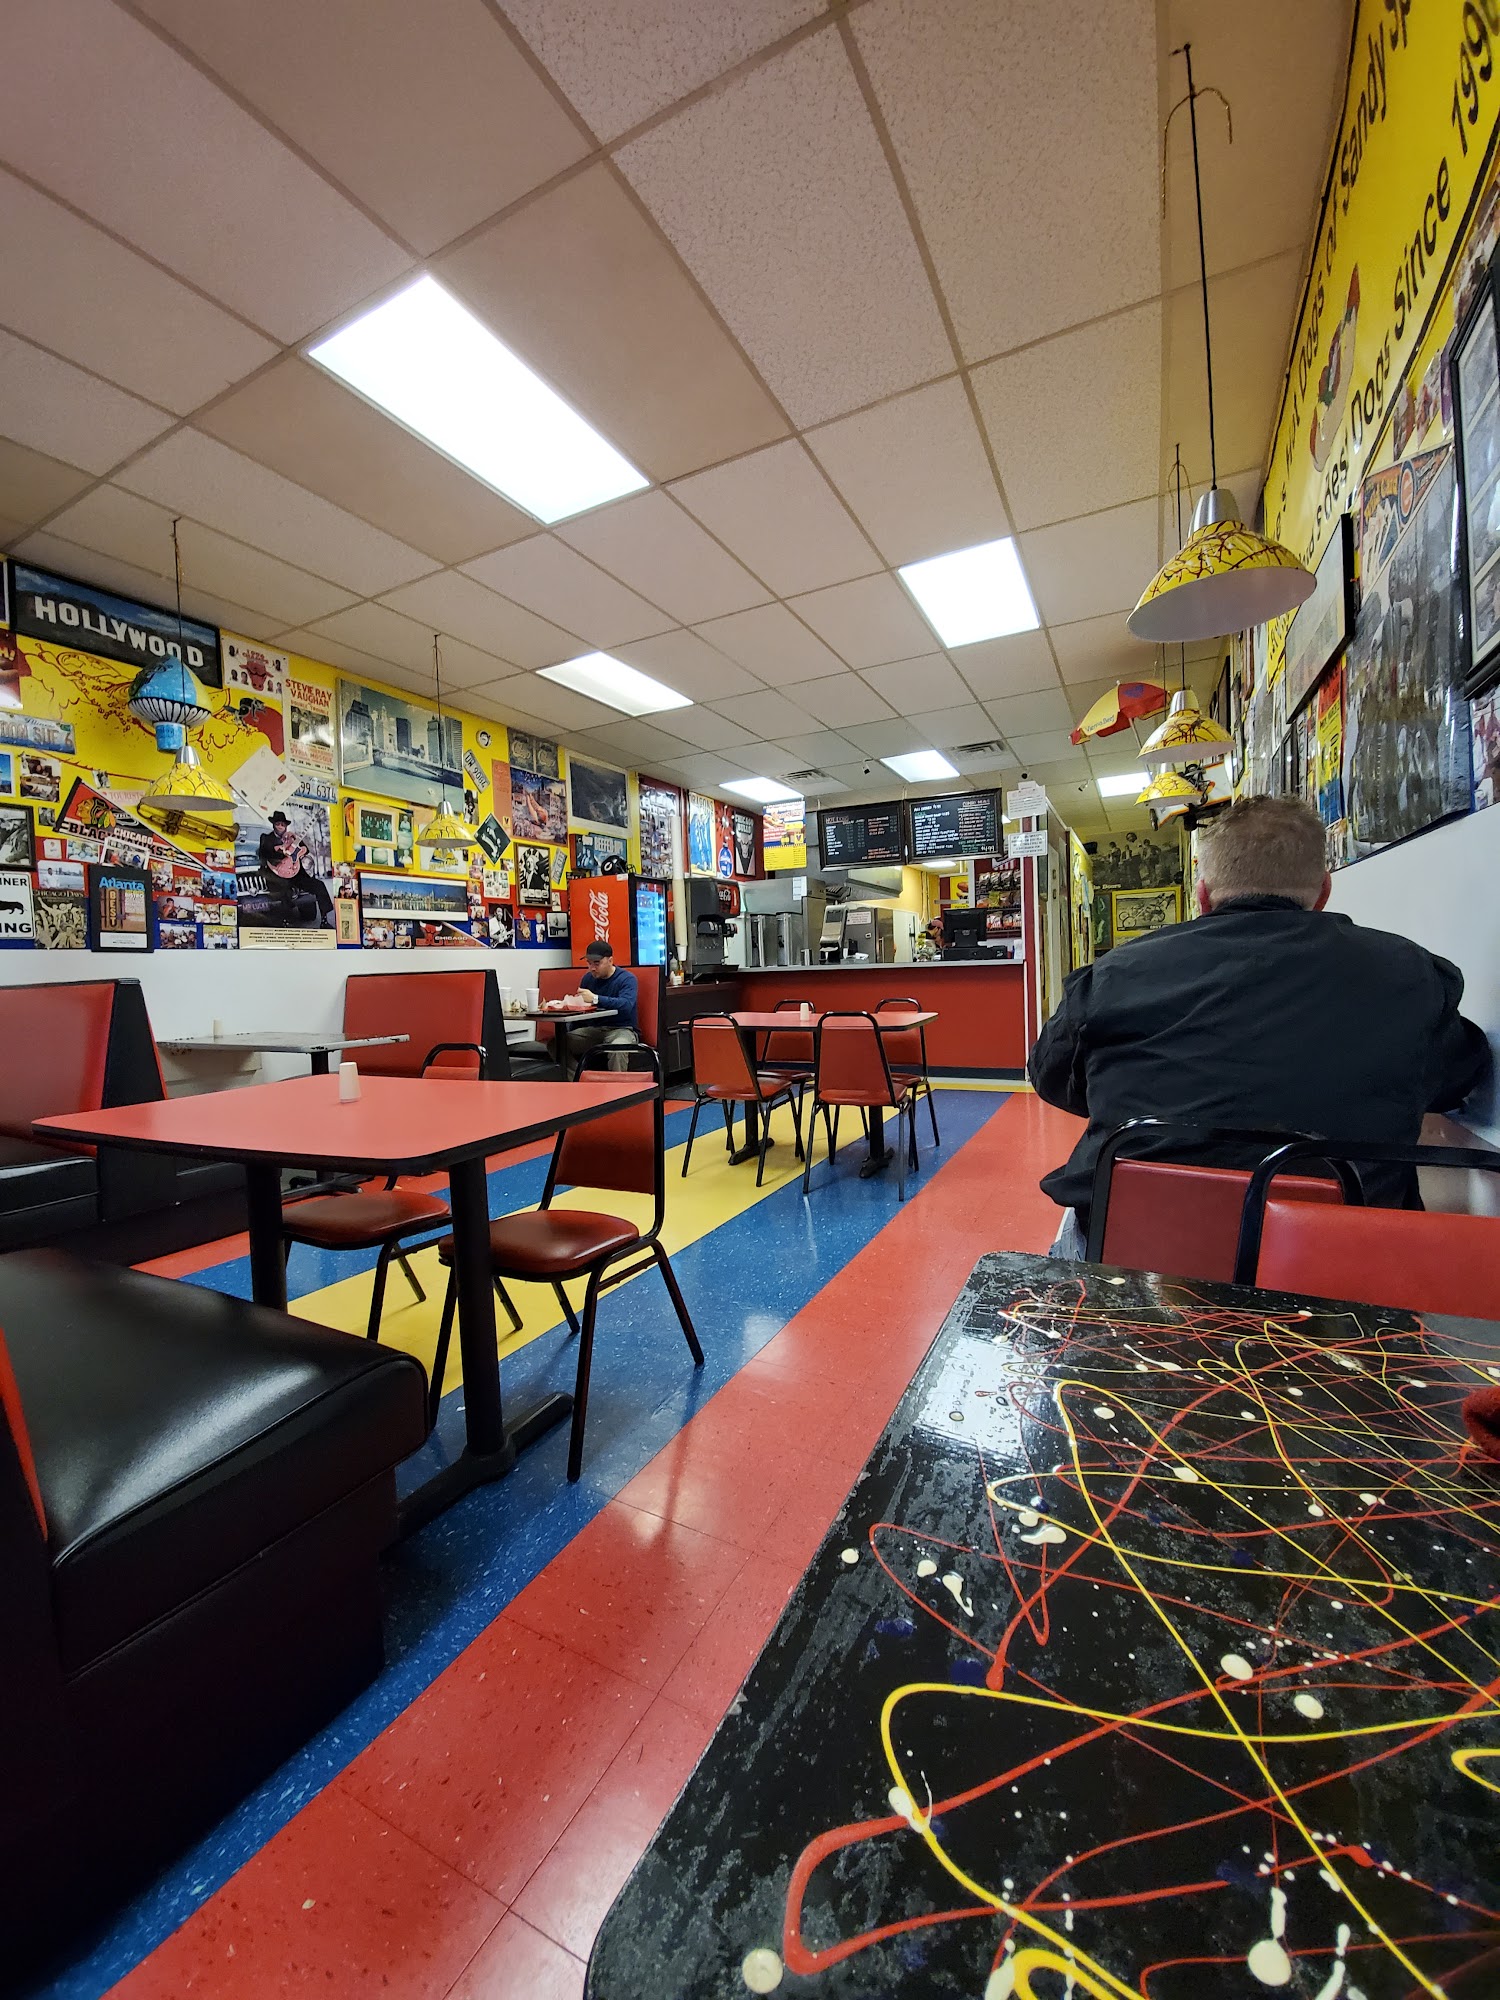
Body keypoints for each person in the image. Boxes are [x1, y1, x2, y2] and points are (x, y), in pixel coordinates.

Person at [1029, 794, 1491, 1256]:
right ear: (1323, 891)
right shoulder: (1411, 974)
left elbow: (1051, 1077)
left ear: (1203, 895)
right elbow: (1457, 1079)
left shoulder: (1114, 975)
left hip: (1134, 1255)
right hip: (1335, 1266)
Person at [563, 940, 640, 1075]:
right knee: (558, 1043)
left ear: (610, 961)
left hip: (621, 1029)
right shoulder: (588, 979)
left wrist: (595, 998)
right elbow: (583, 1009)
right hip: (594, 1030)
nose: (592, 968)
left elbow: (626, 1005)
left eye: (597, 963)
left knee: (617, 1049)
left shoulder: (627, 979)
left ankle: (618, 1087)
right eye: (589, 963)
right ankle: (578, 1077)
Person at [257, 810, 333, 926]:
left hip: (295, 874)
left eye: (283, 824)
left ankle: (324, 920)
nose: (280, 826)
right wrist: (281, 851)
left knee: (319, 885)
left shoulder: (292, 838)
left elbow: (305, 850)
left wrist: (295, 845)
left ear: (286, 826)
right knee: (284, 891)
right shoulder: (267, 838)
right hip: (277, 874)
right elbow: (264, 852)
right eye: (278, 824)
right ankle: (285, 921)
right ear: (273, 825)